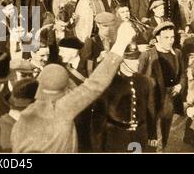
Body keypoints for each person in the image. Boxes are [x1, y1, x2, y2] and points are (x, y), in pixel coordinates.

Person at [11, 21, 137, 153]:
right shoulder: (62, 110)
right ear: (64, 89)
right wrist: (121, 43)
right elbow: (94, 85)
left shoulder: (22, 118)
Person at [91, 43, 154, 152]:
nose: (137, 62)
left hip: (139, 136)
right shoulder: (109, 83)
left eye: (137, 58)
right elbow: (99, 117)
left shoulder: (145, 81)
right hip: (116, 137)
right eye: (132, 59)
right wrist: (97, 145)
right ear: (121, 61)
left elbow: (150, 110)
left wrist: (152, 135)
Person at [138, 22, 187, 151]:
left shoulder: (177, 53)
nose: (170, 41)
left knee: (170, 135)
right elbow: (139, 80)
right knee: (154, 137)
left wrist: (180, 86)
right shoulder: (147, 55)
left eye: (172, 37)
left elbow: (183, 74)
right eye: (166, 37)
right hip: (154, 100)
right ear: (158, 38)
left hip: (172, 97)